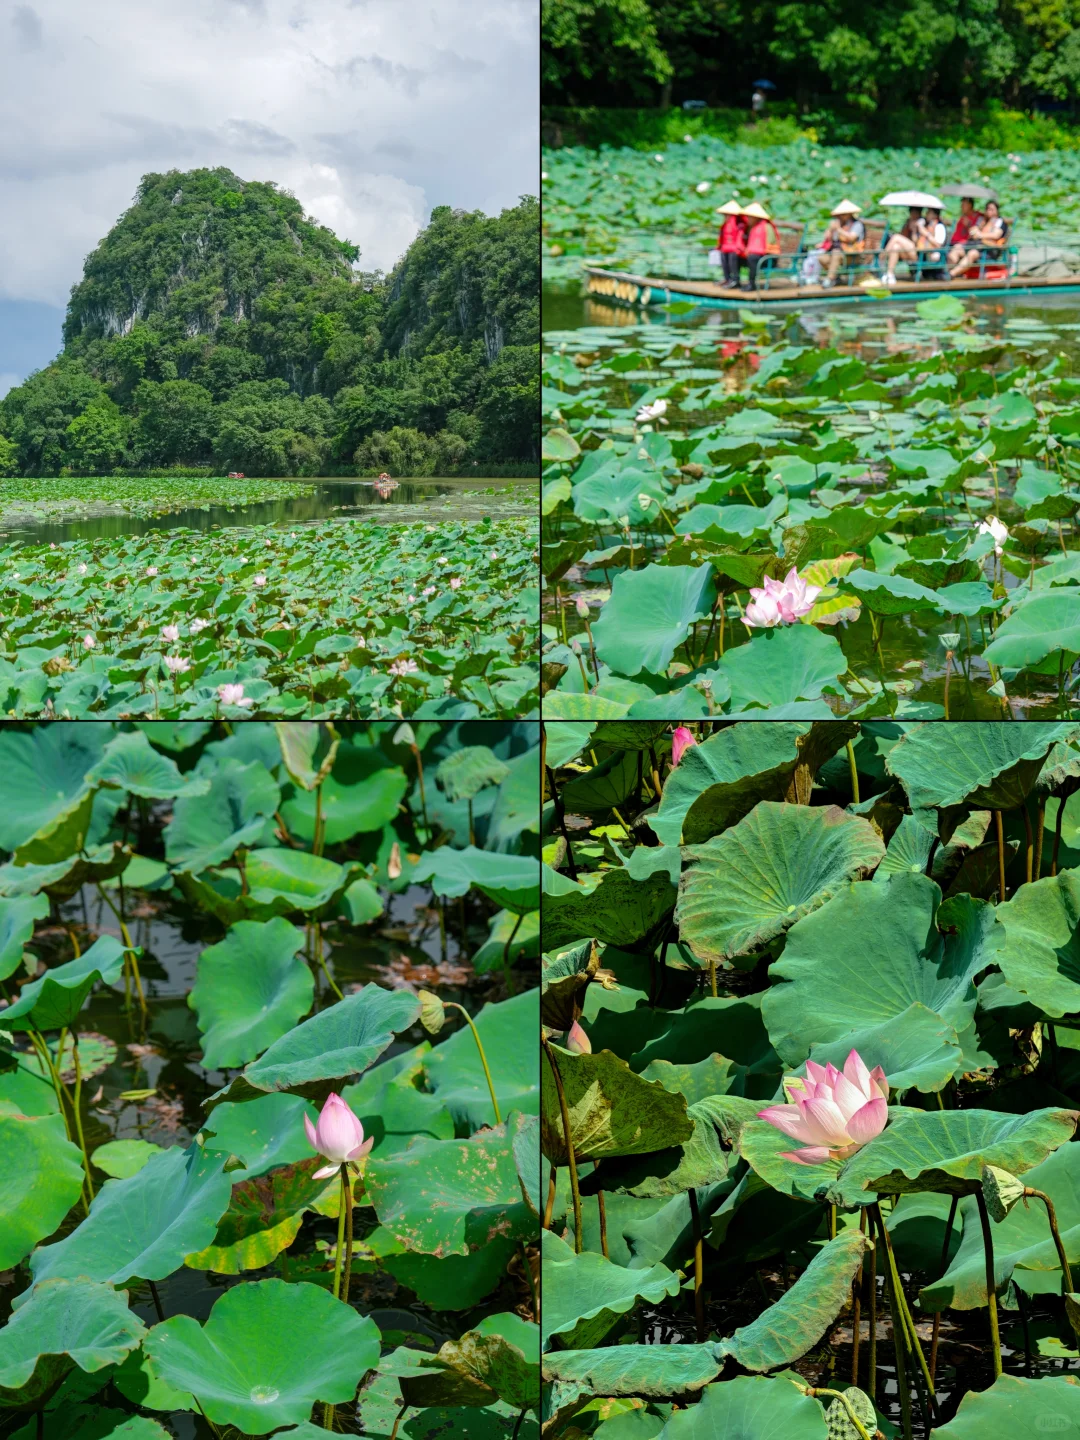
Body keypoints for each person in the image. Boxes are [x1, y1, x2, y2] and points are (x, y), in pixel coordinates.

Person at [880, 205, 946, 285]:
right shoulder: (925, 224)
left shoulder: (939, 226)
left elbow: (938, 245)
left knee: (896, 237)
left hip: (926, 255)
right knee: (895, 247)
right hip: (917, 252)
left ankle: (880, 259)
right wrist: (914, 231)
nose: (926, 214)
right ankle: (890, 274)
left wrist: (925, 234)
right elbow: (916, 242)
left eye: (928, 212)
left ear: (935, 215)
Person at [949, 198, 1006, 279]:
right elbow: (973, 231)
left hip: (989, 249)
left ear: (997, 210)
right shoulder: (983, 220)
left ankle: (951, 274)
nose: (989, 211)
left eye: (992, 209)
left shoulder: (999, 222)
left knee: (972, 253)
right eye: (987, 209)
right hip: (975, 245)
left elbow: (996, 235)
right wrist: (974, 229)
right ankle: (946, 270)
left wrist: (980, 235)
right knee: (957, 248)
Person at [821, 201, 866, 287]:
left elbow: (852, 238)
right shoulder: (839, 224)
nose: (841, 217)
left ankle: (829, 280)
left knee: (836, 253)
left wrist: (838, 229)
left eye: (843, 214)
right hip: (838, 253)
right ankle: (836, 277)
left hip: (853, 255)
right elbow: (827, 238)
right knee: (822, 258)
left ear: (850, 214)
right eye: (839, 215)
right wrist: (830, 229)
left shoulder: (857, 224)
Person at [741, 202, 780, 290]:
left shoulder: (767, 227)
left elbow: (770, 244)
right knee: (734, 256)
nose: (748, 219)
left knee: (752, 258)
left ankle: (752, 284)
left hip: (768, 258)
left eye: (750, 217)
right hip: (756, 256)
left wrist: (755, 250)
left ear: (756, 217)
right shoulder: (751, 228)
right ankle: (734, 280)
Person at [716, 200, 747, 289]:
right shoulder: (725, 224)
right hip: (726, 247)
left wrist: (738, 248)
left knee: (733, 258)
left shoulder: (739, 223)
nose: (725, 216)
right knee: (723, 258)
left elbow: (740, 238)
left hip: (735, 249)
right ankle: (727, 278)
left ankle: (735, 280)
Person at [947, 196, 985, 270]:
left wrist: (968, 225)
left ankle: (947, 272)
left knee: (955, 250)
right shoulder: (962, 217)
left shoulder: (979, 217)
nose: (961, 207)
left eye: (963, 204)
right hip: (953, 243)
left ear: (970, 205)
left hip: (966, 245)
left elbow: (975, 234)